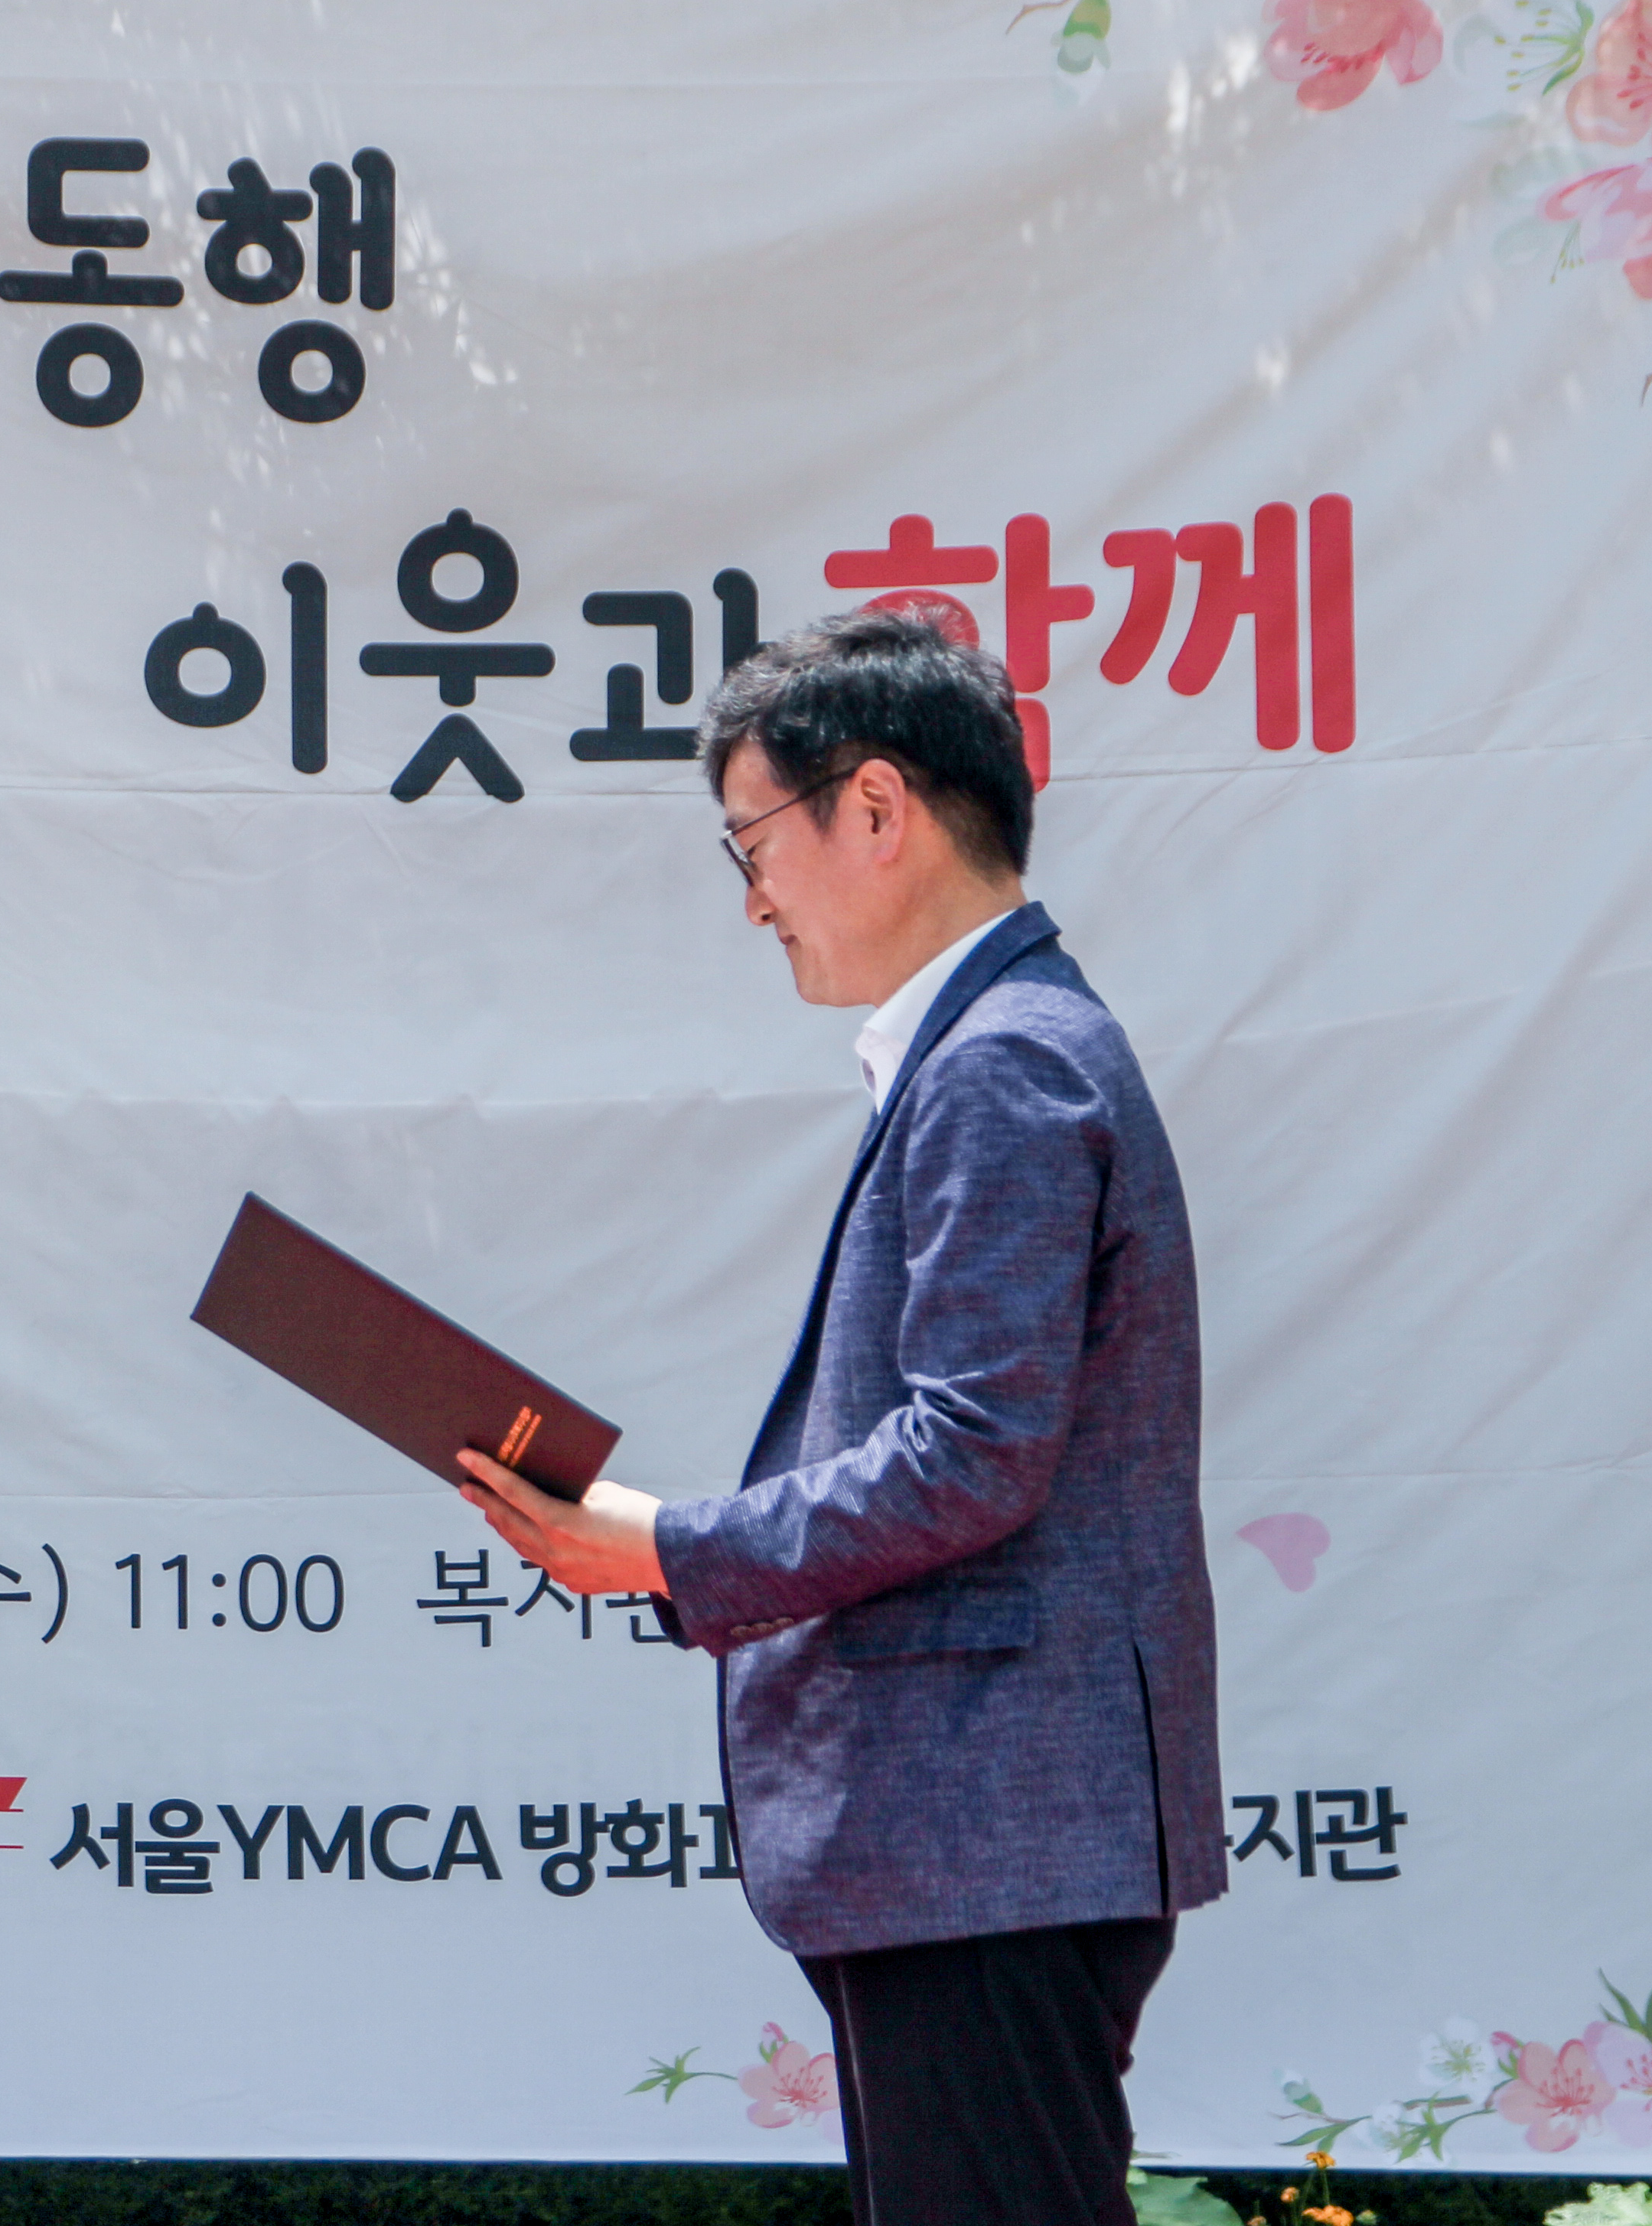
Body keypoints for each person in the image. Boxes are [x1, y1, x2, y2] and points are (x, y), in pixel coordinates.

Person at [458, 609, 1224, 2226]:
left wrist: (668, 1549)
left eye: (751, 843)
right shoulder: (999, 1050)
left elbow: (973, 1452)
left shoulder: (1001, 1067)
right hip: (985, 1844)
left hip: (988, 1841)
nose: (751, 899)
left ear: (875, 808)